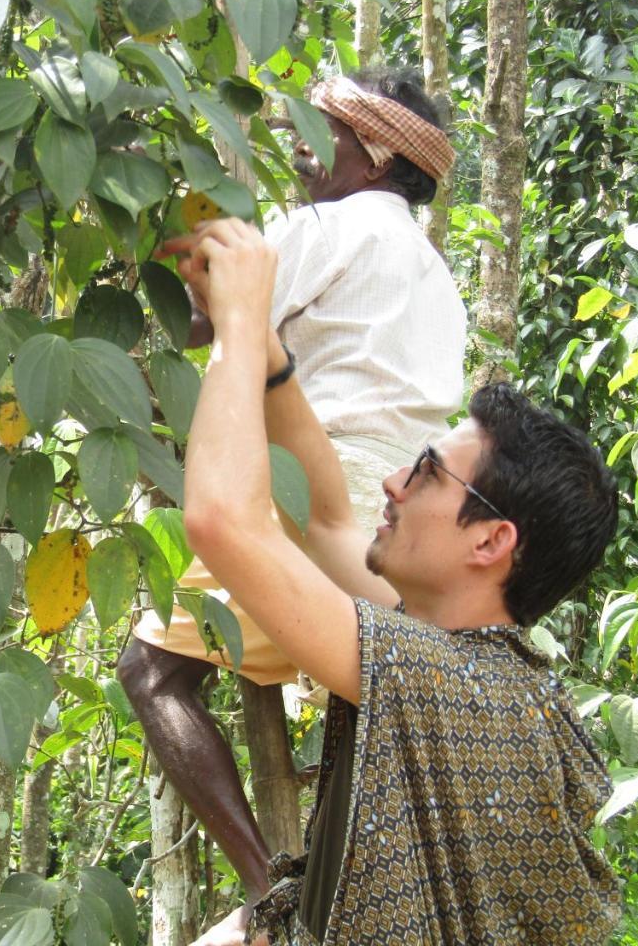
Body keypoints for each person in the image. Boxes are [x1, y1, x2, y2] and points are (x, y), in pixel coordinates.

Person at [180, 218, 621, 944]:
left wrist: (230, 326)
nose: (391, 481)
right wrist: (265, 351)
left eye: (425, 473)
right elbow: (324, 520)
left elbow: (225, 521)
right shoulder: (479, 669)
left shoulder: (443, 682)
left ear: (490, 541)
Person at [118, 66, 466, 898]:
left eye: (327, 137)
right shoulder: (435, 275)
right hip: (400, 517)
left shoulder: (325, 226)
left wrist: (150, 227)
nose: (307, 153)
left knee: (152, 673)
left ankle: (270, 887)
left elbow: (209, 322)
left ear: (376, 155)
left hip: (311, 490)